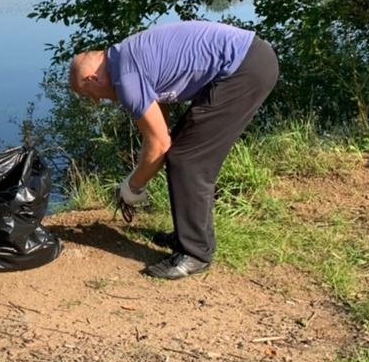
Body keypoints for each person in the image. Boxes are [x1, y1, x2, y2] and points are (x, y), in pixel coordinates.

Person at [68, 20, 279, 279]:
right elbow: (161, 132)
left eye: (90, 94)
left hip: (245, 68)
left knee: (189, 160)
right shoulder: (125, 57)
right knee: (183, 151)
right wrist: (141, 175)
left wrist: (133, 187)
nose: (98, 101)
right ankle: (188, 237)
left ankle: (195, 254)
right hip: (248, 59)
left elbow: (159, 144)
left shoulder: (127, 79)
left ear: (92, 78)